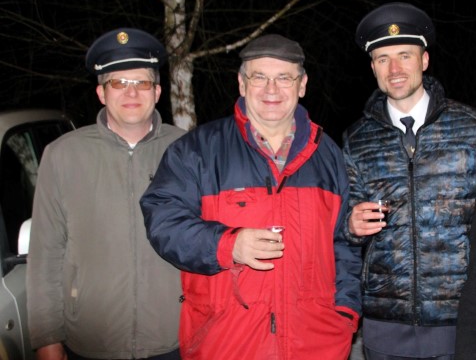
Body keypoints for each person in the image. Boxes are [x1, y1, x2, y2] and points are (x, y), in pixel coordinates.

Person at [139, 34, 362, 360]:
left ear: (302, 85)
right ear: (242, 84)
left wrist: (345, 313)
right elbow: (163, 220)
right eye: (259, 77)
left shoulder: (327, 154)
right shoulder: (198, 150)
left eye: (284, 77)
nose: (272, 89)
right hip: (226, 344)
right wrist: (227, 245)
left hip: (316, 345)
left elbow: (344, 242)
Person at [342, 2, 476, 360]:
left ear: (424, 60)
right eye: (383, 59)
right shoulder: (356, 138)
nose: (394, 69)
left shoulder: (473, 127)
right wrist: (349, 224)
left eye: (405, 56)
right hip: (385, 322)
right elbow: (341, 218)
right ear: (373, 68)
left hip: (459, 319)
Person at [27, 28, 186, 360]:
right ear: (101, 92)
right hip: (90, 341)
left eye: (142, 83)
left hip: (173, 339)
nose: (131, 92)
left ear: (157, 91)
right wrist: (47, 339)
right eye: (118, 83)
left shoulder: (186, 151)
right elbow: (45, 255)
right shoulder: (62, 155)